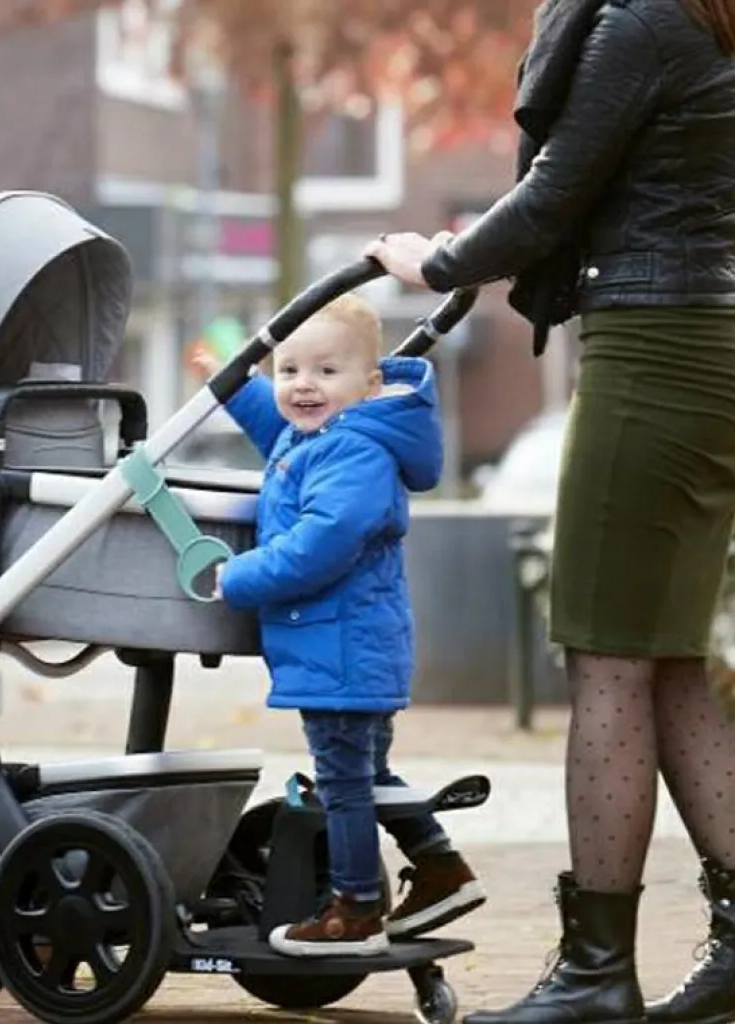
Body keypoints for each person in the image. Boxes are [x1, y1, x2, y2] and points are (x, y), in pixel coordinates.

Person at [363, 0, 735, 1022]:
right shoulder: (729, 17)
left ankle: (595, 971)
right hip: (720, 340)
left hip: (660, 352)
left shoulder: (646, 21)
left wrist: (436, 263)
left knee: (606, 656)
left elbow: (552, 196)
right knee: (661, 656)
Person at [190, 293, 486, 957]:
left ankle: (354, 910)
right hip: (346, 648)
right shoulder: (323, 437)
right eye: (289, 369)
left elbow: (322, 544)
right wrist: (232, 380)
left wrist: (237, 577)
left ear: (370, 384)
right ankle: (441, 870)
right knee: (367, 772)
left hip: (343, 650)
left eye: (326, 372)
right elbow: (279, 430)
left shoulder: (354, 454)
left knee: (345, 783)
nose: (302, 385)